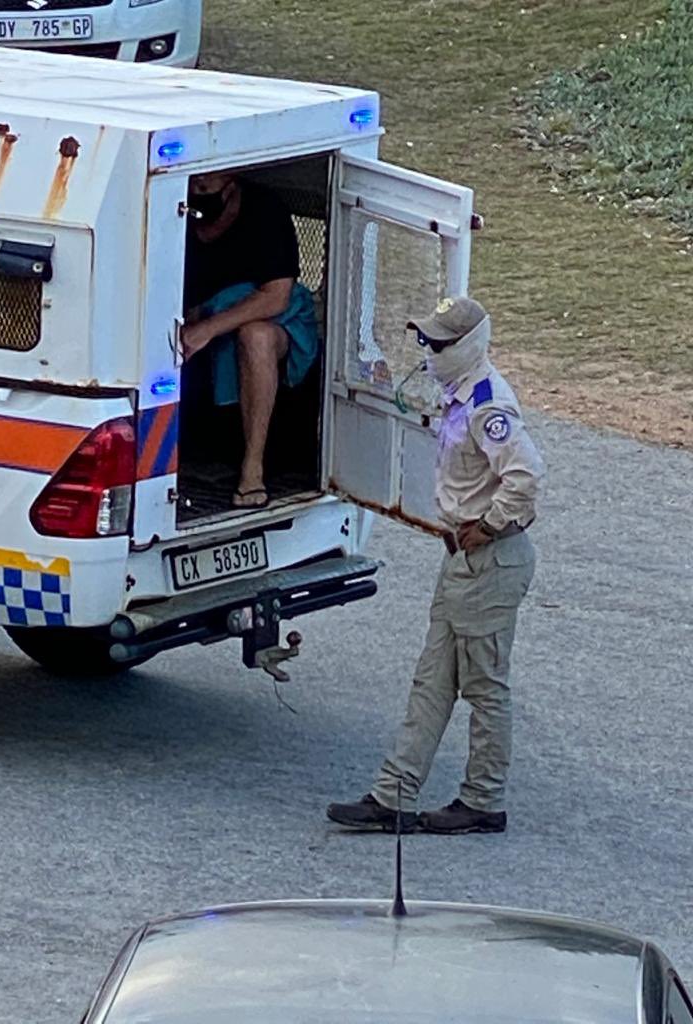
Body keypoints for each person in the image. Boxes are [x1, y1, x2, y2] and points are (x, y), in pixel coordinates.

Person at [327, 296, 545, 835]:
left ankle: (483, 800)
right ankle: (392, 795)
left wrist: (489, 525)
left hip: (489, 559)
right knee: (432, 681)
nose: (427, 351)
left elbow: (526, 475)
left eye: (438, 343)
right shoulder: (461, 394)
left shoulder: (488, 405)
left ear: (466, 346)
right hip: (465, 561)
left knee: (485, 686)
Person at [181, 172, 319, 509]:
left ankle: (252, 468)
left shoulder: (265, 211)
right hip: (202, 315)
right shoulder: (176, 214)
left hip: (275, 321)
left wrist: (208, 329)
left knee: (254, 336)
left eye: (203, 189)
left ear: (230, 187)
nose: (195, 195)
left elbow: (276, 297)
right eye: (191, 186)